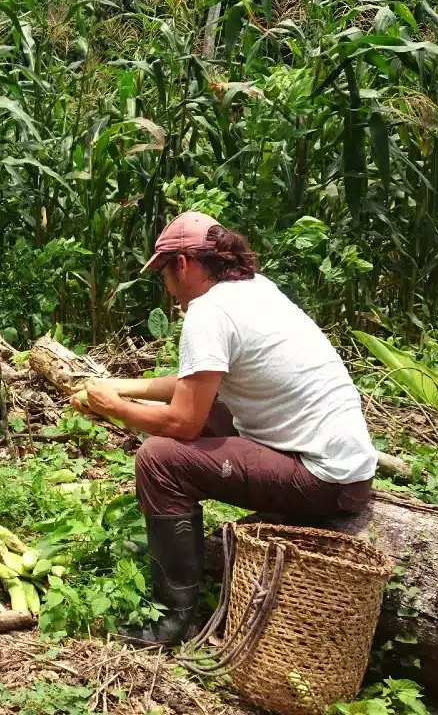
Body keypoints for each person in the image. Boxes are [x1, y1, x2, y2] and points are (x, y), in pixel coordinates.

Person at [71, 211, 376, 646]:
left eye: (163, 272)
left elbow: (182, 420)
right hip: (345, 465)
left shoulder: (208, 312)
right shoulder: (255, 290)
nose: (166, 286)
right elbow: (195, 384)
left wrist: (116, 409)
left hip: (323, 479)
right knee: (211, 411)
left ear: (182, 264)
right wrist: (119, 388)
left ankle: (174, 620)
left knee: (160, 460)